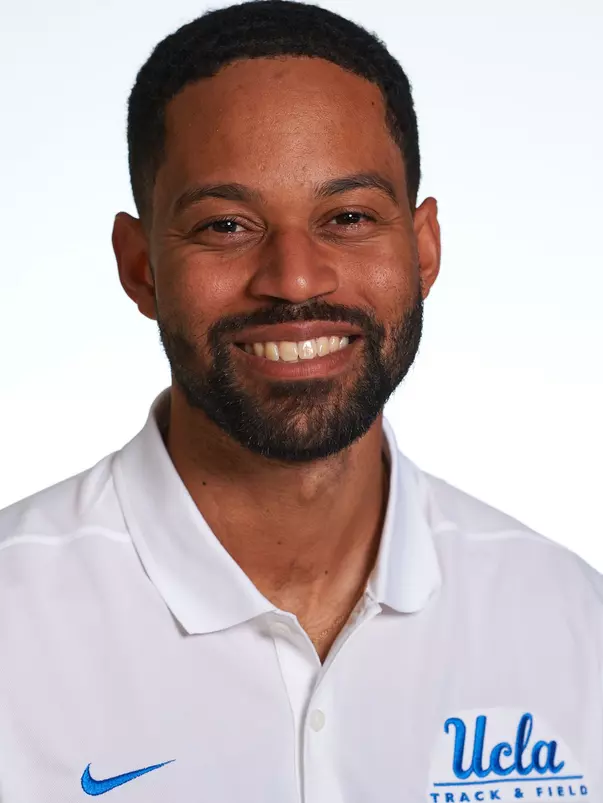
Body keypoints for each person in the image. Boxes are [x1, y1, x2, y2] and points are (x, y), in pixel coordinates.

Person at [0, 1, 601, 801]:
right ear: (140, 267)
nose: (293, 278)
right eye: (226, 225)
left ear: (422, 249)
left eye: (348, 217)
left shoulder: (572, 622)